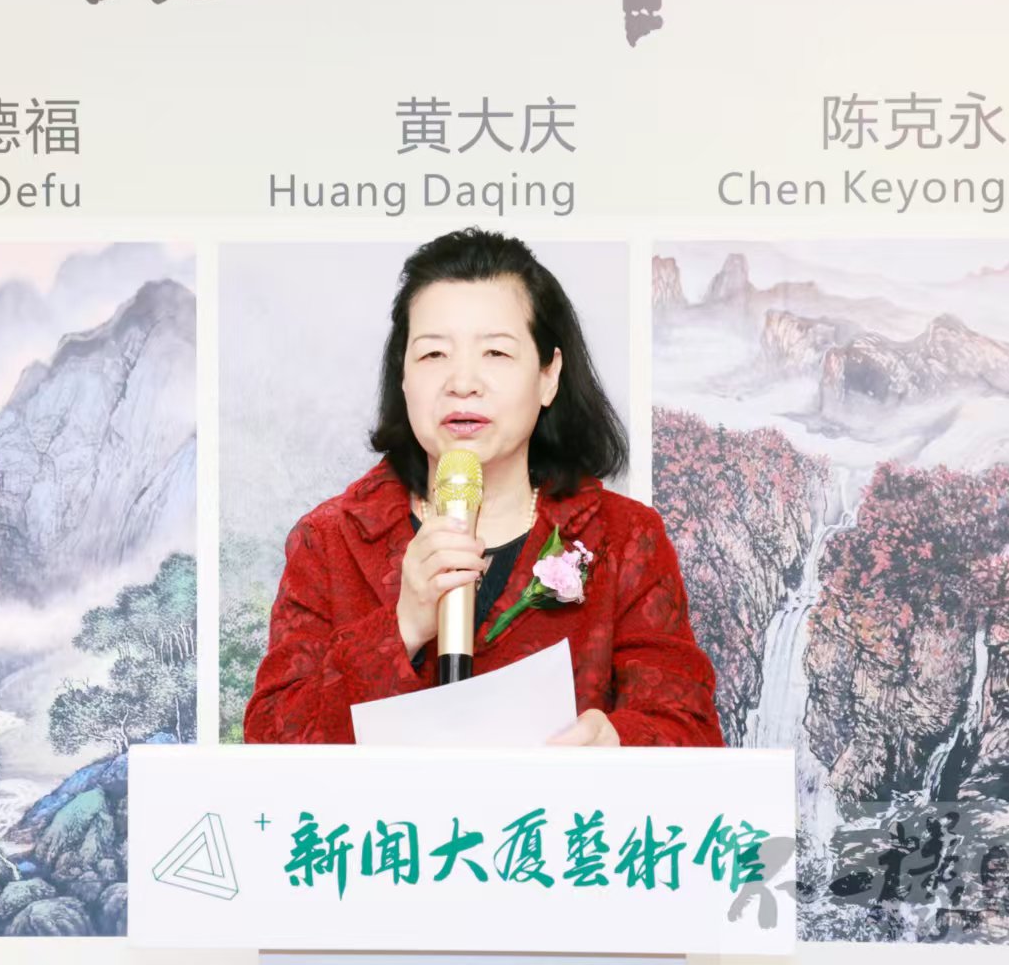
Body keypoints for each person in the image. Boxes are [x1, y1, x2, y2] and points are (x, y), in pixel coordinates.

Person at [244, 229, 723, 747]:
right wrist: (402, 627)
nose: (462, 382)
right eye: (433, 355)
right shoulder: (329, 542)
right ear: (403, 377)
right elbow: (270, 744)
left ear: (548, 376)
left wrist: (618, 741)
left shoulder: (625, 540)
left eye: (495, 352)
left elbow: (691, 731)